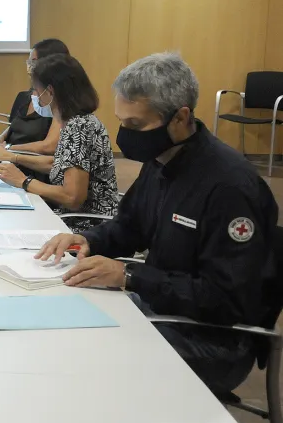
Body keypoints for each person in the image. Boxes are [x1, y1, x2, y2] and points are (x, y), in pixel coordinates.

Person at [38, 53, 279, 395]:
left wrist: (132, 276)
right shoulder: (162, 158)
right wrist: (86, 240)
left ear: (180, 118)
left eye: (136, 125)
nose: (125, 134)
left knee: (84, 355)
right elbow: (129, 227)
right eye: (122, 121)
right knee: (59, 318)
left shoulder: (229, 188)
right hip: (162, 308)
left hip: (212, 340)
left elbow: (226, 299)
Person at [0, 54, 119, 231]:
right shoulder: (78, 121)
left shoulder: (78, 127)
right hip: (71, 219)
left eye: (36, 90)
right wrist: (13, 158)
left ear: (50, 92)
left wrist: (23, 181)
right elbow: (58, 164)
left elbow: (72, 198)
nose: (34, 97)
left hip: (84, 227)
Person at [0, 37, 70, 153]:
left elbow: (50, 146)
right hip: (10, 159)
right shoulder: (24, 97)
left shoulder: (59, 102)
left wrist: (9, 150)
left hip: (30, 165)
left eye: (34, 61)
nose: (29, 66)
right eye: (29, 61)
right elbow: (13, 127)